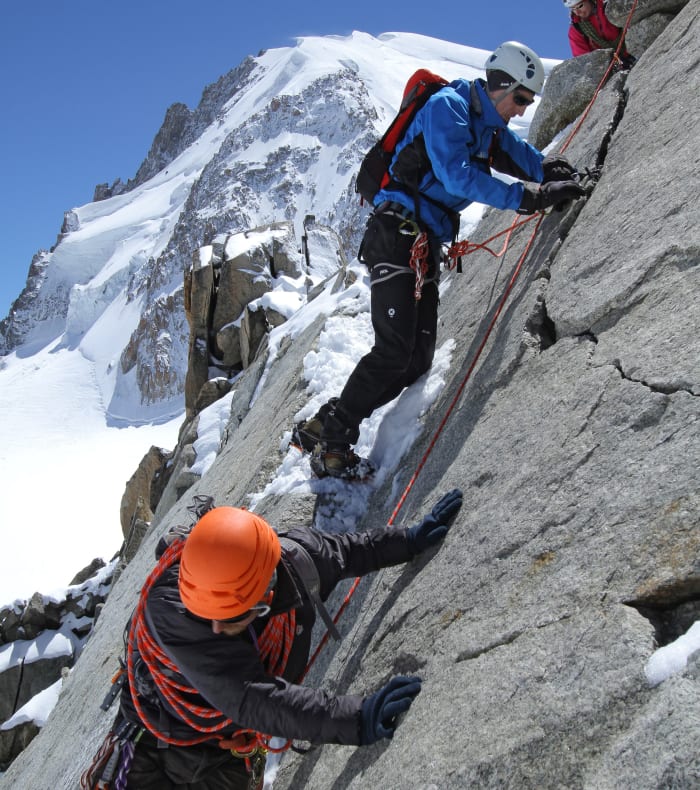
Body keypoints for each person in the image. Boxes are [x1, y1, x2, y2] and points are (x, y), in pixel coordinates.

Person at [293, 42, 586, 479]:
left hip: (424, 243)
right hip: (396, 237)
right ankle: (333, 444)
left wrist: (551, 171)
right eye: (520, 99)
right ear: (500, 85)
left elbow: (517, 154)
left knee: (415, 360)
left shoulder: (488, 126)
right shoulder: (448, 107)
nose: (522, 111)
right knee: (393, 351)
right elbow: (457, 176)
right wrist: (531, 197)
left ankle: (326, 423)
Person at [90, 490, 462, 789]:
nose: (215, 629)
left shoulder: (298, 561)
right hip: (153, 749)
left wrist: (409, 541)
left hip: (226, 752)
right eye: (209, 615)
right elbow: (251, 696)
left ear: (267, 592)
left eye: (229, 617)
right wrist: (357, 719)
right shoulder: (172, 611)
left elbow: (349, 551)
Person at [563, 0, 636, 68]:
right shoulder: (576, 30)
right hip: (612, 66)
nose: (578, 12)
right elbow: (584, 59)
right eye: (573, 9)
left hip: (634, 49)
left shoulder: (609, 6)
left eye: (580, 6)